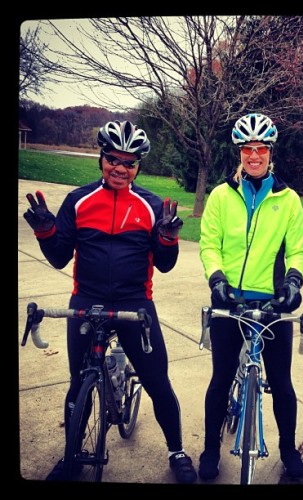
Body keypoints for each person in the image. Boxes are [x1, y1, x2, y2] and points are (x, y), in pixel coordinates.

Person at [23, 120, 197, 484]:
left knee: (157, 382)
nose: (120, 168)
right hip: (87, 301)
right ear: (101, 159)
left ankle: (177, 450)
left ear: (138, 167)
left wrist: (167, 239)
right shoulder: (79, 200)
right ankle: (71, 452)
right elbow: (58, 258)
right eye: (113, 160)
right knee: (78, 382)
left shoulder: (151, 205)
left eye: (129, 163)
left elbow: (164, 265)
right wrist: (45, 232)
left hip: (136, 305)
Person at [198, 113, 303, 481]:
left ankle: (289, 450)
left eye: (260, 148)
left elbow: (297, 248)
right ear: (240, 153)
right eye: (247, 149)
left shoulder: (288, 199)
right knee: (220, 377)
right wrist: (216, 280)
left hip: (272, 303)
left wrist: (294, 282)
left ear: (270, 153)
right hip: (228, 300)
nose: (254, 155)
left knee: (281, 382)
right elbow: (209, 244)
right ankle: (211, 449)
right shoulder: (220, 195)